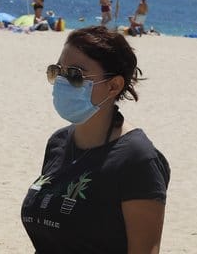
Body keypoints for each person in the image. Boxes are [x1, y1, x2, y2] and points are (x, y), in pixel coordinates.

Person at [22, 26, 170, 253]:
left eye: (74, 75)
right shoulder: (58, 143)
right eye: (57, 71)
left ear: (114, 86)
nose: (62, 81)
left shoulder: (137, 159)